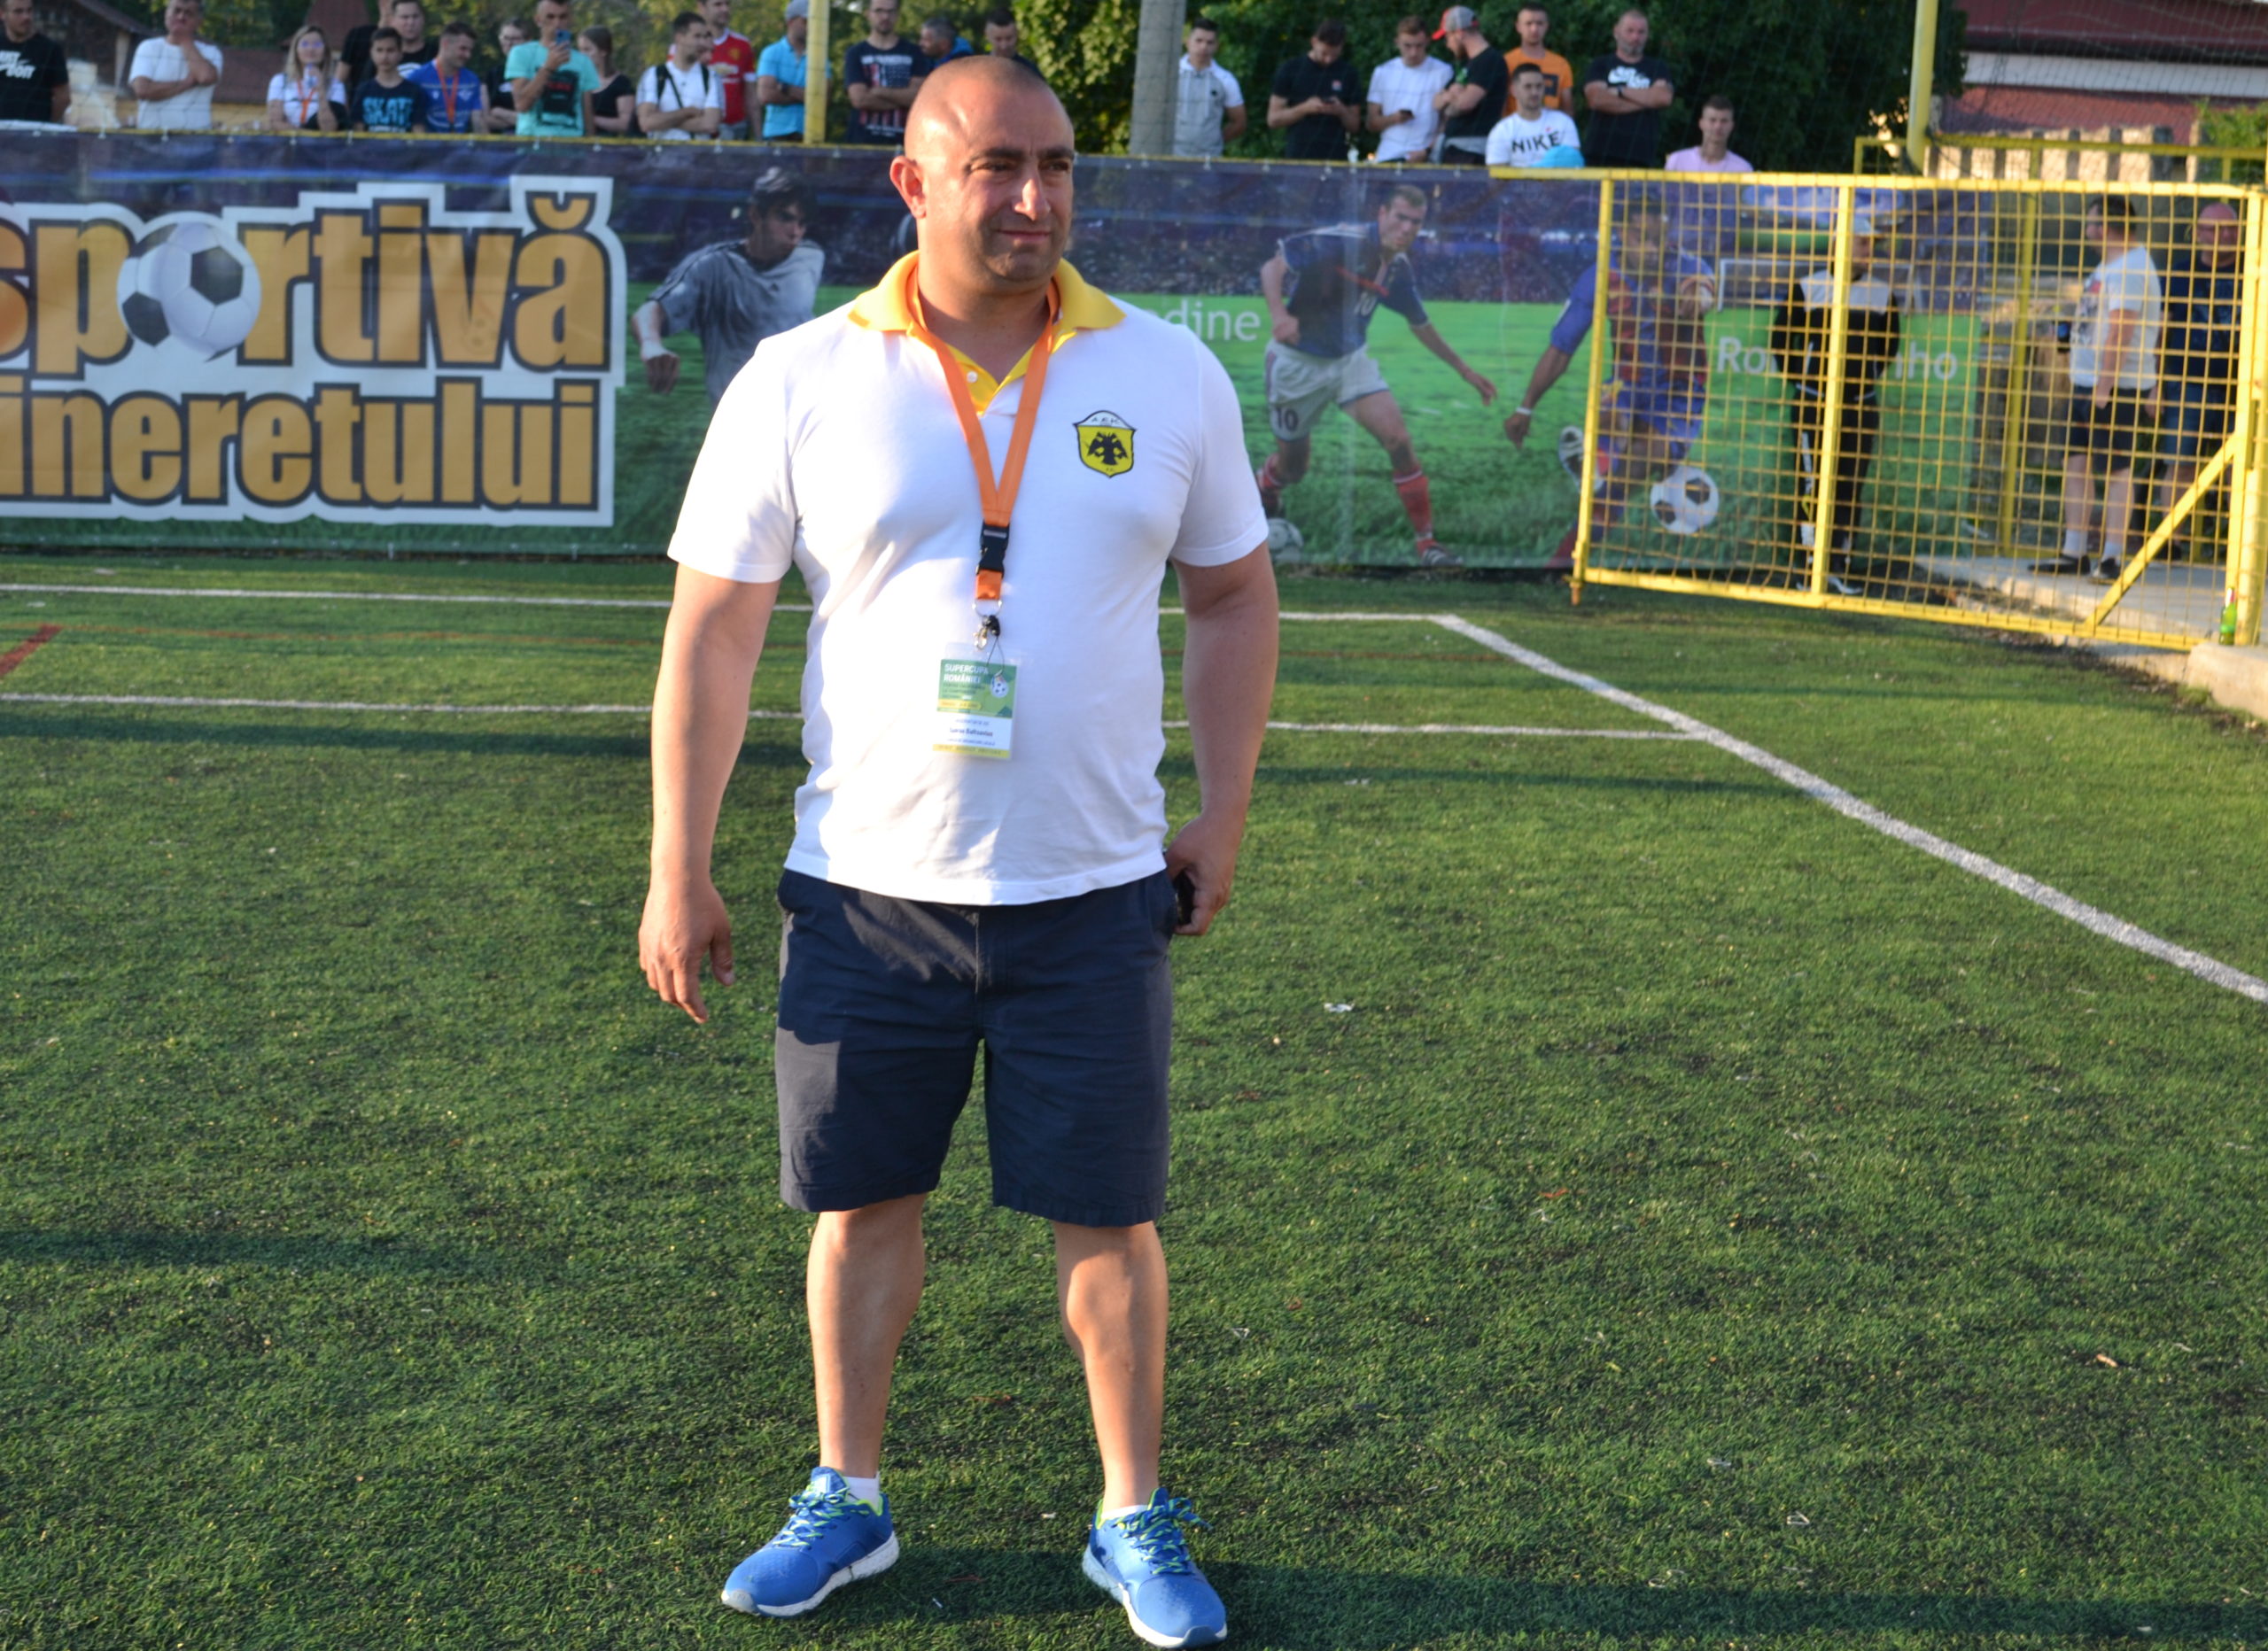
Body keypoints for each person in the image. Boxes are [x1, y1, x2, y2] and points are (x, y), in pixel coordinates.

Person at [644, 53, 1274, 1650]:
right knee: (861, 1207)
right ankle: (846, 1495)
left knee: (1109, 1219)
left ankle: (1132, 1513)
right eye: (997, 166)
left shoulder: (1165, 373)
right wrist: (676, 863)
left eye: (1056, 166)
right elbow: (713, 632)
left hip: (1093, 891)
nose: (1034, 198)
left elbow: (1231, 594)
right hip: (866, 890)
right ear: (913, 181)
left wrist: (1223, 808)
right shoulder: (799, 374)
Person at [1255, 185, 1499, 569]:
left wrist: (1465, 370)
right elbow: (1273, 267)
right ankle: (1265, 487)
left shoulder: (1398, 269)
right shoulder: (1343, 240)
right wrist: (1279, 316)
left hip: (1350, 363)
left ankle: (1427, 545)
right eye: (1400, 218)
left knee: (1398, 440)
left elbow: (1421, 324)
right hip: (1297, 364)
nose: (1407, 228)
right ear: (1382, 213)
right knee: (1294, 468)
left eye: (1415, 222)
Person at [1503, 199, 1715, 569]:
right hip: (1626, 386)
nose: (1652, 249)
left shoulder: (1687, 266)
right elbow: (1562, 347)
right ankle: (1594, 472)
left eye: (1658, 239)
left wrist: (1696, 301)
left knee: (1627, 475)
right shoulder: (1601, 277)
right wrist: (1526, 407)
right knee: (1610, 424)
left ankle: (1562, 560)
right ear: (1621, 234)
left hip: (1678, 397)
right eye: (1641, 238)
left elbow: (1703, 293)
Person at [1768, 213, 1900, 593]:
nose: (1868, 250)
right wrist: (1805, 381)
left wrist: (1863, 380)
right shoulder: (1808, 287)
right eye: (1862, 242)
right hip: (1813, 407)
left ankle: (1838, 566)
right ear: (1840, 244)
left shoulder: (1881, 294)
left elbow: (1889, 348)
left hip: (1860, 407)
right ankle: (1809, 566)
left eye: (1872, 244)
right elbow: (1781, 339)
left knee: (1849, 486)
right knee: (1812, 485)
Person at [2039, 195, 2162, 583]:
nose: (2087, 230)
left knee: (2116, 469)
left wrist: (2105, 385)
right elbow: (2097, 320)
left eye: (2092, 223)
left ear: (2107, 226)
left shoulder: (2131, 268)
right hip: (2086, 380)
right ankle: (2074, 550)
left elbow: (2121, 331)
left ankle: (2111, 557)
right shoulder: (2108, 266)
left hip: (2114, 386)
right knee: (2076, 461)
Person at [635, 168, 822, 399]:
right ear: (756, 215)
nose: (795, 232)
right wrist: (651, 345)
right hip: (738, 405)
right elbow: (651, 310)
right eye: (785, 218)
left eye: (802, 223)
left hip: (802, 400)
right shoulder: (713, 266)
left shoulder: (812, 257)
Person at [2155, 201, 2242, 556]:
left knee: (2242, 469)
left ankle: (2243, 548)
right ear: (2199, 234)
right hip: (2187, 382)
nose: (2223, 236)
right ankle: (2170, 541)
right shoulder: (2180, 273)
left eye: (2230, 229)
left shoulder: (2253, 271)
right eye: (2213, 229)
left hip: (2241, 387)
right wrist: (2156, 385)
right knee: (2180, 462)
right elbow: (2161, 332)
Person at [1581, 7, 1672, 168]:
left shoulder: (1658, 67)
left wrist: (1619, 91)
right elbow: (1596, 99)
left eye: (1641, 32)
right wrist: (1646, 101)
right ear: (1616, 32)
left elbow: (1663, 98)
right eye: (1630, 31)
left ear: (1647, 35)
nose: (1635, 37)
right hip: (1599, 154)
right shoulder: (1600, 64)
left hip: (1641, 156)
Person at [1265, 19, 1358, 161]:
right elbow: (1273, 119)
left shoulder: (1348, 73)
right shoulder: (1290, 69)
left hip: (1336, 157)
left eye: (1334, 55)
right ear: (1314, 42)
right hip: (1299, 157)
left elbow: (1355, 125)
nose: (1328, 60)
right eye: (1324, 53)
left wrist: (1341, 110)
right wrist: (1305, 108)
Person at [506, 0, 600, 136]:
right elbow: (521, 105)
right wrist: (548, 68)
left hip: (573, 144)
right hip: (533, 143)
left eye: (563, 17)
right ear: (538, 20)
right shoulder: (521, 53)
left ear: (570, 19)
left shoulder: (584, 61)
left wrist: (590, 145)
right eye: (550, 17)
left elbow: (587, 116)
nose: (557, 23)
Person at [1363, 14, 1449, 165]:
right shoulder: (1383, 72)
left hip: (1426, 157)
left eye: (1419, 46)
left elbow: (1446, 121)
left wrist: (1428, 150)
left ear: (1427, 42)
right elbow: (1371, 123)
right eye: (1407, 46)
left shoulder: (1442, 71)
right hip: (1388, 155)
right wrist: (1394, 118)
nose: (1413, 52)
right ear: (1397, 43)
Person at [128, 0, 222, 131]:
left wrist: (184, 40)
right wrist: (187, 83)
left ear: (199, 22)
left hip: (196, 138)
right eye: (176, 11)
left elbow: (205, 77)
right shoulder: (148, 47)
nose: (181, 17)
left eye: (188, 13)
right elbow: (142, 90)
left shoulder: (211, 52)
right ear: (166, 14)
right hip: (151, 137)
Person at [1430, 5, 1505, 165]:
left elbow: (1465, 104)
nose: (1447, 44)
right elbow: (1436, 102)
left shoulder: (1489, 60)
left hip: (1472, 149)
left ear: (1459, 33)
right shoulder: (1465, 63)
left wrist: (1449, 101)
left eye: (1447, 37)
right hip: (1453, 145)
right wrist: (1450, 96)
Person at [844, 0, 927, 146]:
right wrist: (902, 100)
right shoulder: (855, 53)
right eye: (879, 11)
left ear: (898, 15)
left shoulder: (914, 52)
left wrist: (878, 91)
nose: (885, 16)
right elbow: (859, 99)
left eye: (891, 11)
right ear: (868, 14)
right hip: (862, 143)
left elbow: (918, 98)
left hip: (905, 143)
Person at [637, 12, 723, 140]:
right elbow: (646, 123)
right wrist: (687, 112)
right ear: (679, 38)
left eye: (704, 37)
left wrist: (664, 122)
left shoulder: (711, 78)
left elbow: (709, 125)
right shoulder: (654, 75)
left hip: (699, 152)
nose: (703, 43)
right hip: (662, 152)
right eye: (697, 36)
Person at [1171, 16, 1243, 158]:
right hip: (1170, 157)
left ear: (1216, 46)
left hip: (1209, 160)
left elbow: (1239, 122)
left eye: (1210, 42)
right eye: (1199, 41)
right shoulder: (1171, 75)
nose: (1204, 47)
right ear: (1188, 42)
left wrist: (1214, 143)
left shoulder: (1225, 79)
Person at [1484, 58, 1578, 166]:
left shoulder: (1563, 122)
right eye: (1528, 87)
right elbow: (1496, 173)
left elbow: (1573, 164)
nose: (1534, 92)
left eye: (1539, 86)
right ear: (1513, 90)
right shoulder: (1501, 131)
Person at [408, 20, 488, 135]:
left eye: (470, 50)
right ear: (445, 44)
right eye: (463, 49)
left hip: (461, 145)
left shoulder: (472, 80)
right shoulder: (417, 78)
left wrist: (485, 144)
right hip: (428, 144)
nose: (468, 55)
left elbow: (478, 121)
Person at [0, 0, 72, 125]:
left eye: (29, 10)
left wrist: (46, 125)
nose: (26, 17)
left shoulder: (50, 49)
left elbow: (63, 98)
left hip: (33, 132)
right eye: (18, 11)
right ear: (2, 14)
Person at [340, 0, 436, 91]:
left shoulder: (435, 54)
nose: (410, 22)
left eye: (415, 17)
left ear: (423, 19)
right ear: (393, 20)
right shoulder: (382, 57)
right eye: (405, 17)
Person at [349, 26, 431, 131]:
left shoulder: (414, 92)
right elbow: (357, 130)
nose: (384, 56)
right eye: (379, 50)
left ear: (400, 53)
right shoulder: (363, 90)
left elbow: (419, 131)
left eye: (390, 50)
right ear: (371, 53)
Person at [266, 24, 344, 132]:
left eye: (317, 44)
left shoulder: (336, 85)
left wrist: (321, 89)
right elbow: (275, 122)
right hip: (290, 140)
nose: (311, 49)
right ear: (296, 50)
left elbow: (329, 128)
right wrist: (306, 135)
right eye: (305, 44)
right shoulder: (280, 81)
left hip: (321, 142)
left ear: (325, 51)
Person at [754, 0, 812, 139]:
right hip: (776, 135)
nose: (810, 26)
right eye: (805, 21)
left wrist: (785, 88)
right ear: (790, 22)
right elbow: (765, 95)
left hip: (810, 134)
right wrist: (807, 96)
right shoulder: (771, 53)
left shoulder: (819, 56)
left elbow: (824, 99)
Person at [700, 0, 756, 136]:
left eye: (727, 4)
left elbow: (751, 95)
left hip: (736, 127)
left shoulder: (743, 44)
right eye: (718, 4)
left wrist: (758, 137)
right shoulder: (687, 46)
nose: (725, 9)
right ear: (702, 7)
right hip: (700, 128)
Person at [1505, 2, 1572, 113]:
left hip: (1551, 124)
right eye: (1528, 23)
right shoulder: (1506, 62)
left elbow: (1567, 108)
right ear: (1518, 27)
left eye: (1540, 23)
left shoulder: (1561, 64)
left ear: (1547, 26)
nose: (1534, 29)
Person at [1665, 94, 1749, 172]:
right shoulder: (1678, 161)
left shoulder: (1743, 169)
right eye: (1712, 120)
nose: (1718, 126)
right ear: (1701, 124)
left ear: (1732, 126)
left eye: (1724, 121)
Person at [579, 27, 634, 133]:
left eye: (587, 50)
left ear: (603, 51)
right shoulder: (578, 81)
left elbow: (626, 123)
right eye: (580, 50)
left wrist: (590, 119)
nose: (582, 55)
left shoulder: (621, 83)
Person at [483, 17, 527, 128]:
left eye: (515, 39)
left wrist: (499, 112)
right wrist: (522, 122)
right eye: (505, 38)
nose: (509, 43)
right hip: (501, 138)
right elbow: (485, 119)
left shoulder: (537, 72)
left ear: (527, 42)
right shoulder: (493, 75)